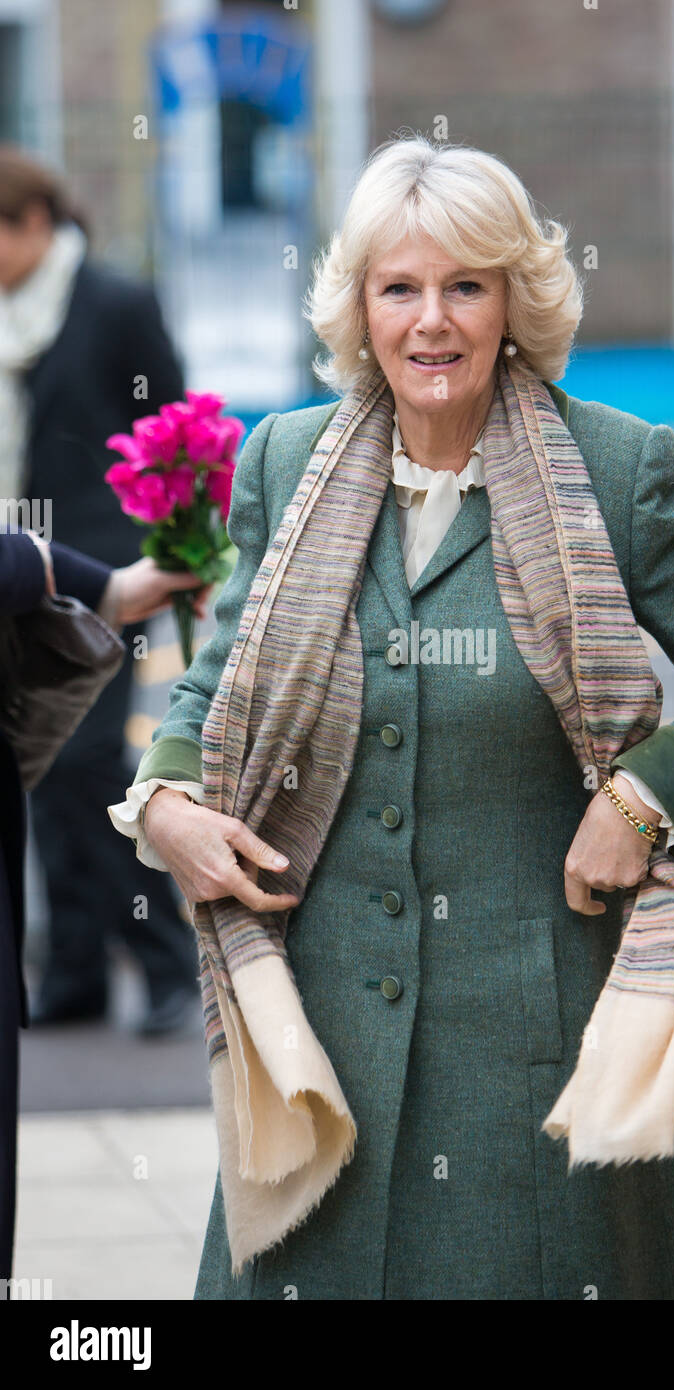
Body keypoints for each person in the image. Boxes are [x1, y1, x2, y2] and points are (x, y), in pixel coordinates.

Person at [109, 137, 674, 1300]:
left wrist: (644, 803)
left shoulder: (616, 466)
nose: (430, 321)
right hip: (321, 1038)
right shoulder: (285, 460)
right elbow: (221, 677)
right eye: (399, 287)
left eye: (465, 286)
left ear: (513, 300)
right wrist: (170, 801)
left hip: (537, 1044)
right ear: (360, 306)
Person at [0, 144, 199, 1032]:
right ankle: (77, 973)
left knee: (82, 762)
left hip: (109, 569)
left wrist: (185, 547)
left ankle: (163, 966)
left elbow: (173, 427)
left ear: (35, 223)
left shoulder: (113, 302)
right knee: (36, 768)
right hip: (15, 567)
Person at [0, 529, 206, 1286]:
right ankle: (80, 972)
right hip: (65, 575)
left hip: (81, 569)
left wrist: (88, 576)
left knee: (84, 778)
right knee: (66, 793)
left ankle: (156, 967)